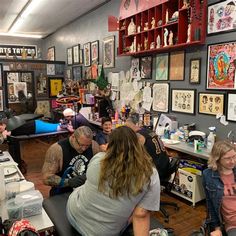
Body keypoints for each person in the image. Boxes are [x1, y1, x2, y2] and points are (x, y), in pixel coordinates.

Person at [66, 126, 160, 236]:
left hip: (73, 214)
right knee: (138, 206)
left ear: (109, 144)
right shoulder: (150, 174)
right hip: (102, 233)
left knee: (86, 188)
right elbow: (141, 215)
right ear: (138, 145)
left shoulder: (98, 159)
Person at [42, 126, 100, 196]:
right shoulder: (57, 149)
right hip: (63, 192)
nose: (84, 149)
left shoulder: (94, 146)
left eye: (87, 146)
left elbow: (99, 169)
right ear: (73, 137)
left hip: (85, 191)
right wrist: (69, 182)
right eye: (81, 145)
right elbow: (46, 178)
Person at [202, 140, 236, 236]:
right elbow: (210, 205)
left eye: (234, 156)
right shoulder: (208, 175)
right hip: (232, 225)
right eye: (228, 158)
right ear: (217, 159)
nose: (233, 161)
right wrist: (217, 228)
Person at [125, 113, 170, 182]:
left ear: (136, 124)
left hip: (156, 171)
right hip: (165, 165)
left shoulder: (139, 135)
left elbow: (134, 153)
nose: (126, 130)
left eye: (128, 126)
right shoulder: (149, 131)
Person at [0, 118, 67, 144]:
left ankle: (66, 125)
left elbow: (5, 136)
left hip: (35, 126)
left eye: (0, 128)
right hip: (35, 125)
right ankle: (63, 123)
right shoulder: (10, 125)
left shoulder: (9, 127)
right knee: (53, 127)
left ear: (3, 125)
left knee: (55, 128)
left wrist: (4, 135)